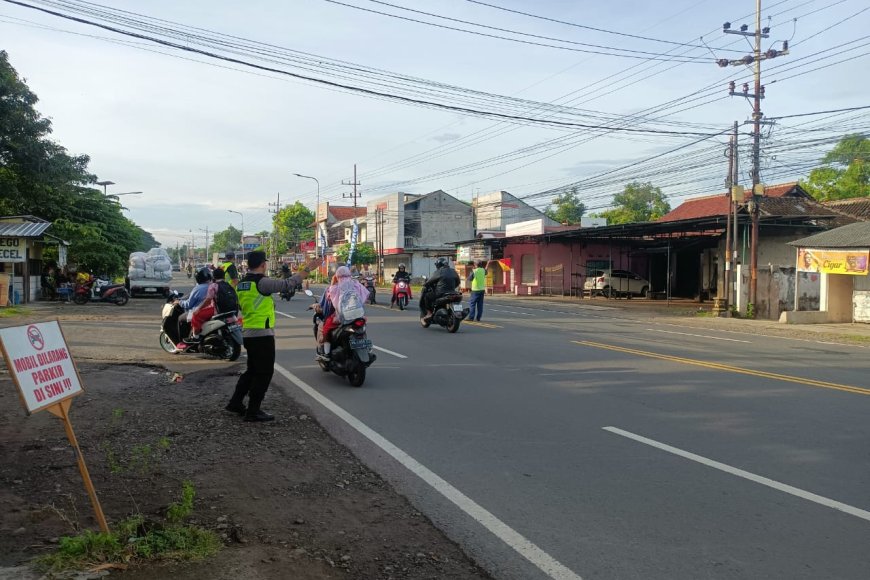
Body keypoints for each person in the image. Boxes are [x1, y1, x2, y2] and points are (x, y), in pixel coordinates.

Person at [225, 251, 314, 423]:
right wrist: (308, 269)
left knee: (252, 370)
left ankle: (235, 403)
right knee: (264, 372)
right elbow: (288, 284)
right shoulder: (262, 282)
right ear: (263, 265)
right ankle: (253, 411)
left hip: (248, 332)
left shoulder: (242, 284)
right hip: (262, 333)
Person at [317, 266, 369, 362]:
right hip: (358, 315)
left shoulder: (335, 287)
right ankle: (367, 348)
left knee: (326, 328)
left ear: (336, 276)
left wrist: (333, 283)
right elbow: (365, 296)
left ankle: (326, 354)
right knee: (362, 329)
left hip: (343, 317)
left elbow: (330, 300)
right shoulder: (355, 284)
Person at [175, 267, 212, 350]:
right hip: (212, 311)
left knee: (180, 319)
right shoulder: (213, 286)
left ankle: (183, 342)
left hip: (199, 312)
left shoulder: (198, 288)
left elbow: (188, 304)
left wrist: (179, 302)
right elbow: (189, 296)